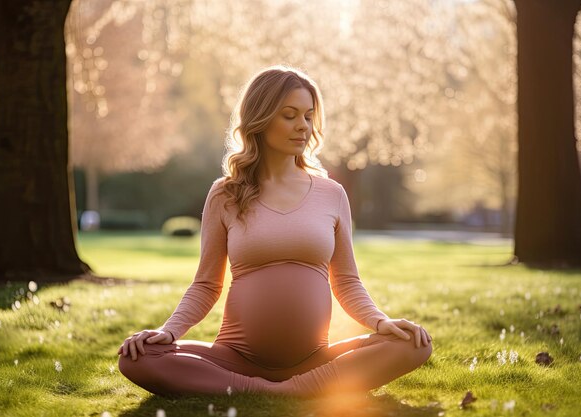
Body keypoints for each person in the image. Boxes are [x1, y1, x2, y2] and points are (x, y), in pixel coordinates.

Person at [117, 66, 432, 397]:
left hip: (314, 359)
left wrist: (381, 322)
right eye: (289, 115)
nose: (303, 126)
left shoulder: (332, 193)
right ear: (261, 118)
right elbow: (207, 284)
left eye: (309, 116)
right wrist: (169, 331)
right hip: (235, 359)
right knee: (137, 357)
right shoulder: (226, 193)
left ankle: (267, 390)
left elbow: (347, 282)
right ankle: (282, 389)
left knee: (413, 343)